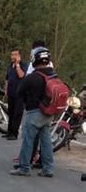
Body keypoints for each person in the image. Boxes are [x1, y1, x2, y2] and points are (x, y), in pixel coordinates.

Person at [10, 47, 56, 177]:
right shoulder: (53, 75)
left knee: (28, 140)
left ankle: (24, 168)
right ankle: (48, 169)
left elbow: (19, 92)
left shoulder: (33, 76)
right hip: (48, 113)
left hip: (34, 112)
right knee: (46, 141)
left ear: (34, 59)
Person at [3, 49, 28, 140]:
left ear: (19, 56)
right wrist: (6, 90)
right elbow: (7, 78)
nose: (13, 56)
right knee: (10, 112)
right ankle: (9, 131)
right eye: (12, 54)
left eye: (15, 54)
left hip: (20, 94)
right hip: (11, 92)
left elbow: (21, 75)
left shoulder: (24, 65)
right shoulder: (9, 66)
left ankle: (14, 133)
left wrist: (17, 64)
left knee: (17, 114)